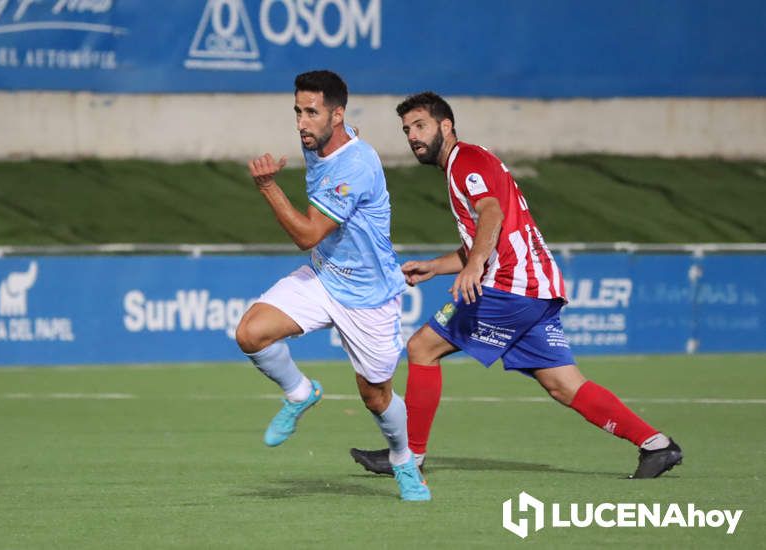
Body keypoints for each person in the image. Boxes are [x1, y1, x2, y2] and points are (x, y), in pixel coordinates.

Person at [349, 92, 683, 479]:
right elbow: (488, 234)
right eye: (407, 129)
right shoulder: (468, 163)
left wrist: (474, 266)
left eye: (420, 125)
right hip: (535, 288)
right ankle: (656, 445)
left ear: (446, 126)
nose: (413, 136)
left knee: (422, 347)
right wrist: (437, 266)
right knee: (562, 383)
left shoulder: (465, 161)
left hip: (511, 285)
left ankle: (409, 457)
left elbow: (491, 213)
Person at [234, 70, 430, 501]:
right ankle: (300, 392)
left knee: (376, 398)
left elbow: (307, 234)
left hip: (368, 296)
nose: (301, 122)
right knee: (250, 332)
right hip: (325, 277)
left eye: (311, 112)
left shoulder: (356, 165)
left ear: (337, 114)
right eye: (297, 112)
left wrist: (268, 187)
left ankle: (405, 461)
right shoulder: (322, 143)